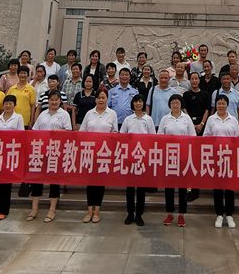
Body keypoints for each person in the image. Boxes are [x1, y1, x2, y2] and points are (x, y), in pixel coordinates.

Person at [27, 90, 72, 223]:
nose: (53, 102)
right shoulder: (42, 114)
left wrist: (58, 132)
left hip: (56, 152)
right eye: (51, 99)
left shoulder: (64, 115)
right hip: (40, 151)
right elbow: (35, 131)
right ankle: (34, 208)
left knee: (54, 181)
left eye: (56, 99)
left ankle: (52, 209)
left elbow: (68, 132)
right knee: (37, 180)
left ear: (60, 101)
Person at [79, 89, 118, 223]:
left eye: (103, 97)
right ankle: (89, 211)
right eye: (99, 98)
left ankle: (97, 211)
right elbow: (82, 132)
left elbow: (115, 134)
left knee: (100, 183)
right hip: (90, 153)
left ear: (107, 99)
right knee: (90, 183)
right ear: (95, 99)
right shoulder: (89, 113)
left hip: (104, 154)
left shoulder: (112, 114)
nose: (101, 100)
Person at [203, 95, 239, 228]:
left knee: (230, 186)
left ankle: (229, 214)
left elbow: (238, 138)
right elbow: (206, 137)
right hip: (216, 156)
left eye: (223, 103)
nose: (221, 105)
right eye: (219, 103)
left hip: (230, 156)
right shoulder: (211, 119)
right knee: (218, 186)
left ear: (227, 104)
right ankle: (219, 214)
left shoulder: (233, 119)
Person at [159, 94, 196, 227]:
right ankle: (169, 213)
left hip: (183, 157)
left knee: (182, 187)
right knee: (169, 187)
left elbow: (193, 136)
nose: (175, 104)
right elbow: (159, 137)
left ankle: (181, 214)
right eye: (173, 102)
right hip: (169, 157)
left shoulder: (186, 119)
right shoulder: (165, 119)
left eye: (178, 102)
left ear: (181, 104)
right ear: (170, 105)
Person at [0, 94, 24, 219]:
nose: (8, 105)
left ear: (15, 105)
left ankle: (3, 210)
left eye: (10, 103)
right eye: (6, 103)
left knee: (6, 183)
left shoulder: (18, 118)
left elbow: (21, 135)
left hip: (10, 153)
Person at [120, 95, 156, 226]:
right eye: (136, 101)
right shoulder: (128, 119)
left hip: (143, 157)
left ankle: (139, 214)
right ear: (133, 104)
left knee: (141, 188)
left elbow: (152, 138)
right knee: (130, 188)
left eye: (140, 101)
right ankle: (130, 213)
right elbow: (122, 137)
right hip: (130, 157)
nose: (138, 104)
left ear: (143, 104)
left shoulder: (148, 119)